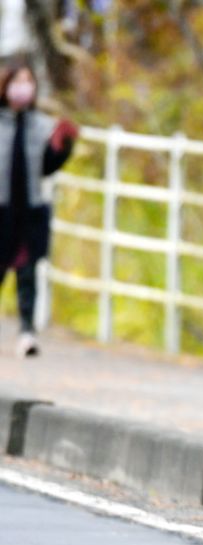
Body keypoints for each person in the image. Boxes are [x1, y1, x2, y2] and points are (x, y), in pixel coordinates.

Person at [0, 60, 76, 357]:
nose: (23, 88)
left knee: (28, 273)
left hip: (28, 210)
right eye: (17, 82)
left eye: (28, 82)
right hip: (1, 211)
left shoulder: (40, 125)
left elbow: (47, 167)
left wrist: (64, 146)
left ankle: (27, 332)